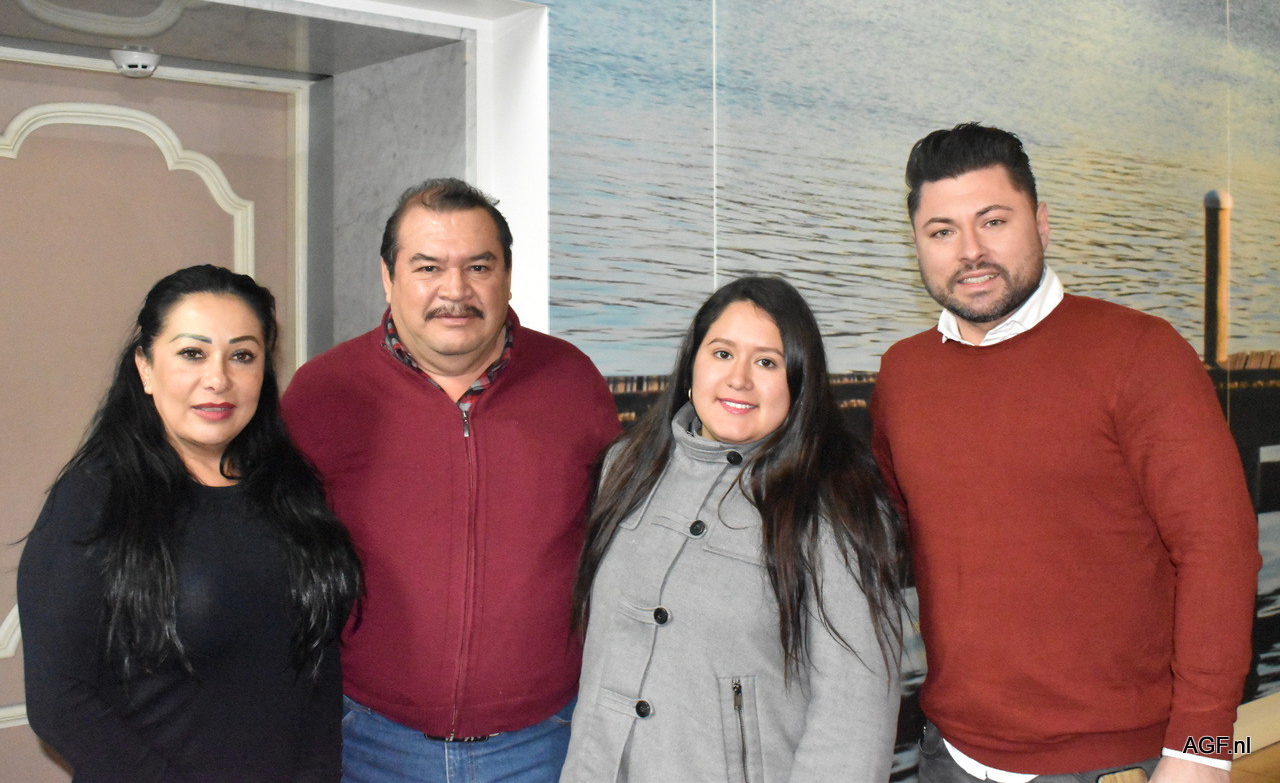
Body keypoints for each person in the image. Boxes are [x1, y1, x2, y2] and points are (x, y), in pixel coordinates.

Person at [871, 123, 1261, 783]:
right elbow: (896, 530)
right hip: (950, 756)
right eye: (942, 231)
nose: (970, 251)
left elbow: (1219, 547)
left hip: (1116, 764)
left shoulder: (1141, 352)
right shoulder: (903, 374)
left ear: (1042, 222)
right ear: (917, 245)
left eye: (993, 221)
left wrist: (1201, 749)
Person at [281, 178, 620, 783]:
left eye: (478, 267)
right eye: (428, 267)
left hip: (543, 745)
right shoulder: (323, 393)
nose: (455, 290)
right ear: (388, 278)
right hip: (367, 742)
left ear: (508, 277)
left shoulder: (574, 383)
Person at [18, 264, 362, 782]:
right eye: (192, 354)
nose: (218, 379)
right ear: (145, 367)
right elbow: (59, 701)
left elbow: (318, 662)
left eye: (242, 356)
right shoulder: (93, 497)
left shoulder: (291, 486)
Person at [561, 275, 904, 782]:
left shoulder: (835, 504)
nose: (738, 379)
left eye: (766, 362)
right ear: (692, 364)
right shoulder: (627, 465)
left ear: (800, 381)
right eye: (722, 354)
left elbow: (855, 712)